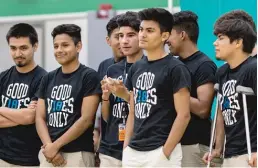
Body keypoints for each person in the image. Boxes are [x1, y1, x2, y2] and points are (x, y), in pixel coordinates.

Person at [107, 8, 191, 167]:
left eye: (150, 31)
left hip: (161, 150)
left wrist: (165, 152)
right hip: (134, 151)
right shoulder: (136, 67)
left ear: (164, 36)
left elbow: (184, 115)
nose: (142, 35)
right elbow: (133, 109)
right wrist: (126, 147)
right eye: (141, 30)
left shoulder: (176, 68)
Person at [36, 24, 101, 167]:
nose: (59, 50)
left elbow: (86, 119)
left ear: (78, 46)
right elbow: (39, 117)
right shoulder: (48, 78)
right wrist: (49, 147)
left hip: (77, 154)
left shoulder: (89, 76)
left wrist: (55, 146)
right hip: (49, 154)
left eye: (65, 45)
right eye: (56, 46)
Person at [166, 10, 221, 167]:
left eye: (169, 34)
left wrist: (174, 91)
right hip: (173, 144)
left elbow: (203, 109)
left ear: (182, 35)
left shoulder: (204, 65)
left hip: (194, 147)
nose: (166, 40)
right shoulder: (172, 63)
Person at [202, 18, 257, 167]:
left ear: (238, 42)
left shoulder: (253, 68)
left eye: (221, 38)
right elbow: (221, 111)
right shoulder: (222, 72)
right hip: (230, 153)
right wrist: (218, 148)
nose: (215, 43)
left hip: (251, 153)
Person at [98, 11, 143, 167]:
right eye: (120, 36)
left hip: (139, 147)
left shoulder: (149, 68)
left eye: (130, 35)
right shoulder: (112, 70)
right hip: (110, 149)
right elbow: (106, 117)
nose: (124, 41)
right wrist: (105, 97)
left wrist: (125, 95)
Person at [0, 23, 47, 166]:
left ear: (35, 46)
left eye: (23, 48)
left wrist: (2, 110)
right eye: (13, 48)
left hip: (28, 160)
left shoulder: (44, 79)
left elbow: (31, 117)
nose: (18, 54)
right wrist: (22, 115)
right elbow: (26, 117)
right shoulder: (3, 78)